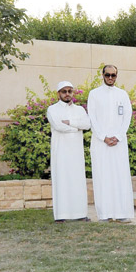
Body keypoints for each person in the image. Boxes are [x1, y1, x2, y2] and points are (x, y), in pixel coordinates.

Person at [87, 65, 134, 223]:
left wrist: (119, 136)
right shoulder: (94, 94)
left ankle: (121, 212)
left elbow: (127, 116)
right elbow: (92, 117)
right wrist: (103, 137)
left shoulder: (122, 94)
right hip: (101, 143)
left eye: (113, 75)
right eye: (108, 75)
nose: (110, 78)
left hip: (118, 143)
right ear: (102, 75)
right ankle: (104, 214)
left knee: (120, 176)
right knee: (103, 177)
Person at [46, 81, 92, 223]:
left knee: (77, 181)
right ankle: (61, 215)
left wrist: (70, 122)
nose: (67, 94)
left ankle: (80, 214)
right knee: (62, 180)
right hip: (61, 152)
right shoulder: (52, 109)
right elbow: (58, 126)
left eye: (69, 91)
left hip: (76, 152)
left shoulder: (79, 110)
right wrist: (76, 127)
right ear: (58, 93)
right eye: (64, 91)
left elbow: (87, 124)